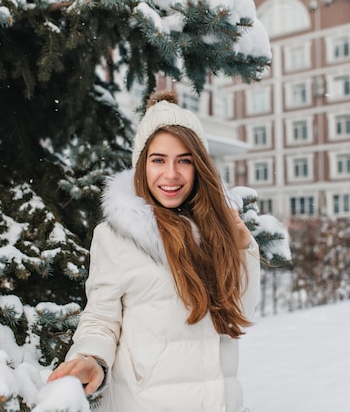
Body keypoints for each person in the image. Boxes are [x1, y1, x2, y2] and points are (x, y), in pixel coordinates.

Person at [47, 90, 261, 412]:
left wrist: (242, 248)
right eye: (158, 160)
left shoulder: (220, 229)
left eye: (184, 161)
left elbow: (240, 311)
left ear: (199, 166)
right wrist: (90, 358)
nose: (171, 174)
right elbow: (101, 319)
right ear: (141, 165)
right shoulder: (116, 236)